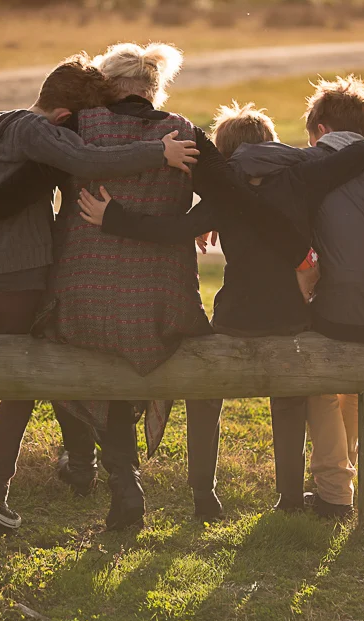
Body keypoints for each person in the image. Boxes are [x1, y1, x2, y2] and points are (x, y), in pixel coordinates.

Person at [0, 54, 199, 535]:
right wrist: (159, 154)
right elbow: (88, 160)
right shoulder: (43, 133)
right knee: (19, 390)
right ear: (66, 118)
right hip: (21, 275)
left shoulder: (1, 122)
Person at [33, 43, 326, 530]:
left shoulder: (76, 129)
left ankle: (107, 470)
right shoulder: (185, 135)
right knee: (134, 345)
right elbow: (236, 200)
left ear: (109, 86)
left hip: (81, 294)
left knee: (61, 345)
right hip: (161, 304)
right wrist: (299, 254)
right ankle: (117, 474)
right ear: (155, 89)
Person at [76, 100, 364, 514]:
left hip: (237, 316)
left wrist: (113, 216)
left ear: (223, 155)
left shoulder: (227, 188)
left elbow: (174, 230)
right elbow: (359, 154)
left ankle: (204, 494)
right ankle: (290, 497)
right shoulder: (302, 174)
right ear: (272, 142)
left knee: (205, 394)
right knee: (290, 398)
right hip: (292, 317)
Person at [232, 75, 364, 518]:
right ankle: (343, 474)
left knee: (320, 386)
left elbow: (248, 155)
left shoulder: (309, 171)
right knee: (355, 383)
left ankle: (334, 493)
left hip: (333, 309)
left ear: (321, 132)